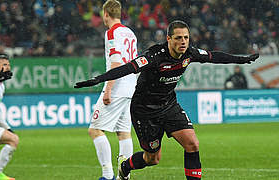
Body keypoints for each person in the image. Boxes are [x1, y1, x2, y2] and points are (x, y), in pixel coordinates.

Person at [75, 20, 259, 180]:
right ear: (168, 39)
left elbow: (214, 56)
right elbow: (128, 68)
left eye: (186, 37)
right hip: (144, 111)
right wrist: (100, 79)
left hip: (169, 105)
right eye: (178, 38)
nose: (183, 42)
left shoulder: (189, 54)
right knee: (152, 159)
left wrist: (241, 60)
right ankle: (125, 167)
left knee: (192, 144)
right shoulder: (154, 56)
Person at [87, 1, 138, 180]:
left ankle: (107, 175)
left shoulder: (112, 32)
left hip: (117, 87)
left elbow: (116, 63)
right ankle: (125, 176)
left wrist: (108, 89)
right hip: (131, 86)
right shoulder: (130, 33)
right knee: (123, 133)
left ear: (106, 14)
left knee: (95, 130)